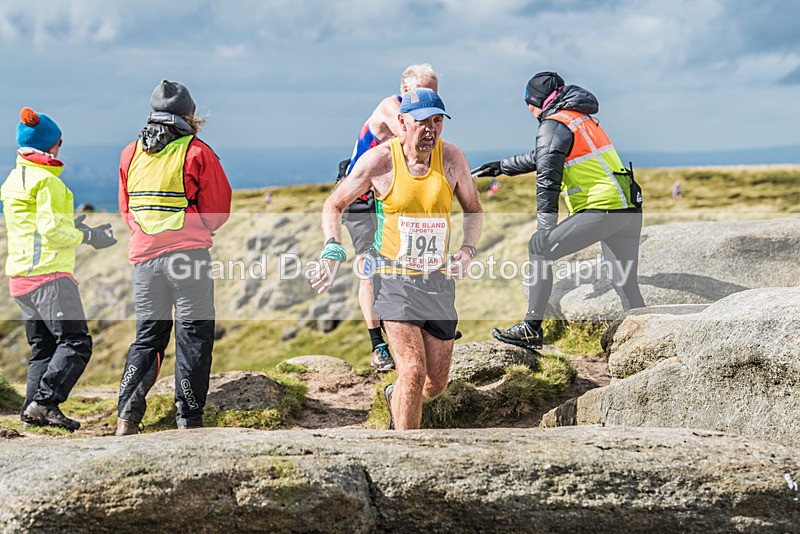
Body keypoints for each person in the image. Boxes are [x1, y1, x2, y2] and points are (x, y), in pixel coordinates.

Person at [313, 88, 483, 430]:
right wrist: (333, 248)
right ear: (402, 123)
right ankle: (404, 454)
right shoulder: (380, 161)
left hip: (437, 281)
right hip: (393, 278)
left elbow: (474, 210)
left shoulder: (452, 159)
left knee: (434, 385)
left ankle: (396, 396)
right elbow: (334, 203)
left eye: (437, 121)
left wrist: (467, 249)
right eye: (422, 122)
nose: (431, 130)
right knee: (412, 370)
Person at [473, 72, 645, 350]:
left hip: (601, 209)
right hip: (627, 207)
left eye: (527, 103)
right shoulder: (578, 117)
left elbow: (548, 180)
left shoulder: (553, 125)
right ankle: (644, 342)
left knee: (539, 249)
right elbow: (544, 156)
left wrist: (545, 228)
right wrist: (502, 166)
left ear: (535, 102)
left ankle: (531, 328)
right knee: (626, 284)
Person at [115, 80, 232, 435]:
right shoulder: (198, 153)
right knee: (193, 336)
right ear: (189, 117)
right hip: (188, 258)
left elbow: (126, 209)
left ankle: (127, 417)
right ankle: (189, 418)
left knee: (148, 337)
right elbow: (217, 211)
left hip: (144, 260)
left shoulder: (130, 153)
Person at [1, 107, 117, 431]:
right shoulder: (48, 183)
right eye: (60, 142)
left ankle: (31, 415)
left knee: (43, 349)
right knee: (77, 342)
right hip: (49, 276)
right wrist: (89, 235)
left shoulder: (13, 179)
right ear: (50, 145)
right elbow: (52, 230)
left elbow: (34, 224)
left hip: (21, 278)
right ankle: (46, 402)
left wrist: (70, 223)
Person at [336, 64, 439, 372]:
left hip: (387, 191)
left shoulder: (420, 113)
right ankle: (377, 346)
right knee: (369, 266)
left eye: (435, 92)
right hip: (361, 193)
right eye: (425, 91)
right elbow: (413, 143)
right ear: (406, 90)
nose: (431, 97)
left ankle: (424, 328)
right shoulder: (390, 107)